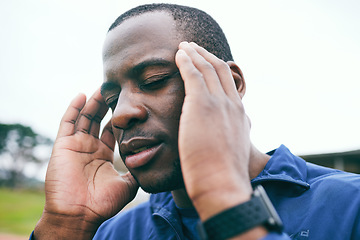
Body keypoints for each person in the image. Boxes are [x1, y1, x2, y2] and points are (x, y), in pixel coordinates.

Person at [31, 3, 360, 240]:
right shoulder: (117, 233)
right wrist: (65, 225)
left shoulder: (350, 207)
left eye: (154, 80)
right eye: (113, 99)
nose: (120, 114)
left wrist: (221, 195)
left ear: (231, 84)